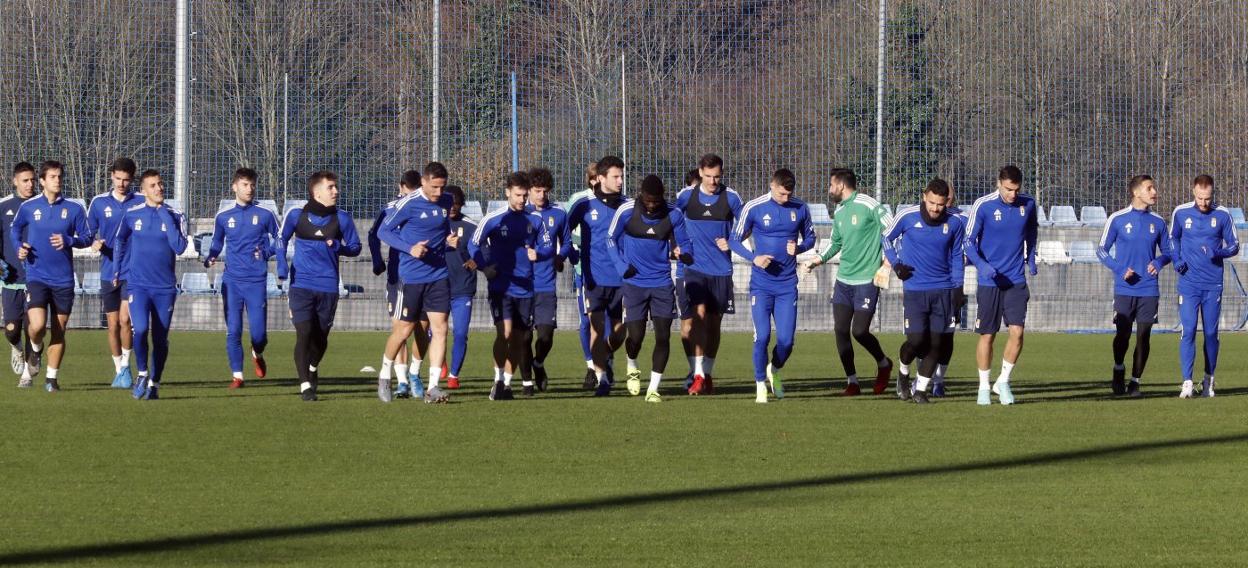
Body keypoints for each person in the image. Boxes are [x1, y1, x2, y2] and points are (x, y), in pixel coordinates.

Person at [802, 168, 894, 396]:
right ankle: (852, 382)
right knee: (841, 330)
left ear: (841, 185)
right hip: (843, 281)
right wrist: (818, 259)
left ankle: (884, 364)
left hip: (867, 280)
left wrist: (887, 261)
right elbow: (836, 243)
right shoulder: (840, 210)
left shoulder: (868, 204)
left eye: (831, 185)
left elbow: (892, 228)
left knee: (860, 331)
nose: (829, 189)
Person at [729, 168, 816, 403]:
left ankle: (774, 370)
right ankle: (760, 384)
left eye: (788, 194)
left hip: (787, 284)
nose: (785, 199)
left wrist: (799, 248)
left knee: (787, 341)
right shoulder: (754, 208)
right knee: (763, 336)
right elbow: (733, 240)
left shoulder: (800, 208)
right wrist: (753, 257)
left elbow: (811, 238)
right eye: (781, 194)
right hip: (761, 285)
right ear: (772, 185)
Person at [276, 171, 363, 401]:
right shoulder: (296, 216)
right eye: (331, 187)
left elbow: (355, 247)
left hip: (328, 287)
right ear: (316, 192)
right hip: (301, 285)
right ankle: (305, 385)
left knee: (321, 337)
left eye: (336, 187)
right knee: (304, 333)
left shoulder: (342, 218)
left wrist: (339, 247)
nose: (336, 191)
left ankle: (313, 366)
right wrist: (282, 265)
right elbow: (280, 239)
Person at [608, 174, 693, 401]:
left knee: (663, 336)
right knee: (636, 335)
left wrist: (683, 253)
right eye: (648, 200)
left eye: (656, 201)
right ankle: (632, 363)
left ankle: (653, 388)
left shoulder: (673, 214)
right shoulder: (626, 211)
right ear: (641, 196)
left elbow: (685, 244)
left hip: (662, 283)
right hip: (634, 283)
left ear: (662, 198)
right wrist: (621, 266)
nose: (652, 205)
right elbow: (609, 240)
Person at [881, 178, 965, 404]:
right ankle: (903, 372)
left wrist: (958, 288)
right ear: (924, 196)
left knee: (937, 343)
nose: (936, 208)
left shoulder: (955, 223)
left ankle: (920, 390)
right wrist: (896, 264)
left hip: (944, 289)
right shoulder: (907, 216)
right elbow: (886, 238)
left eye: (940, 204)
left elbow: (957, 256)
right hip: (915, 289)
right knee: (917, 341)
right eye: (932, 203)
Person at [10, 160, 92, 392]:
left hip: (64, 280)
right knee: (36, 326)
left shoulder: (74, 209)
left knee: (59, 329)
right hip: (36, 276)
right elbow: (15, 230)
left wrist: (70, 240)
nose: (57, 180)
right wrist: (19, 247)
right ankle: (35, 349)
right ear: (43, 181)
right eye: (52, 177)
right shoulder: (29, 207)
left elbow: (86, 237)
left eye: (59, 176)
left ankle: (51, 379)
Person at [377, 162, 455, 404]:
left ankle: (433, 387)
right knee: (403, 330)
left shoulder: (446, 200)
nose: (438, 193)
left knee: (440, 328)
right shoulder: (408, 203)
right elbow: (383, 232)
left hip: (439, 276)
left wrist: (449, 241)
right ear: (423, 182)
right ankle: (384, 375)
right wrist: (409, 248)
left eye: (442, 187)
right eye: (434, 187)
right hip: (411, 278)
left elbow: (441, 230)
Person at [470, 172, 551, 399]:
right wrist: (485, 267)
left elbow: (547, 246)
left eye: (525, 195)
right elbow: (473, 243)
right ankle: (497, 379)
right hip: (501, 287)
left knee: (519, 339)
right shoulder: (493, 219)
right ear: (507, 192)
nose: (521, 200)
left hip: (525, 289)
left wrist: (540, 254)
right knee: (504, 333)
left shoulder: (535, 219)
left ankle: (506, 384)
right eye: (518, 195)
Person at [109, 170, 187, 400]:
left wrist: (164, 215)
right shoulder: (132, 214)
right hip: (138, 285)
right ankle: (142, 373)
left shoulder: (176, 215)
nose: (159, 189)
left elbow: (179, 247)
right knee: (140, 329)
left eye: (160, 184)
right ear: (143, 191)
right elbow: (120, 239)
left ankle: (155, 382)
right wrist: (117, 268)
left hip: (164, 289)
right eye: (153, 186)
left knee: (160, 338)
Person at [964, 165, 1038, 405]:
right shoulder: (983, 205)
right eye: (1008, 189)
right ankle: (984, 387)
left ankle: (1003, 382)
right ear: (999, 183)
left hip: (1016, 280)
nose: (1012, 195)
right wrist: (981, 265)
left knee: (1017, 333)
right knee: (988, 335)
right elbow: (967, 242)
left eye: (1016, 190)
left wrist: (1032, 257)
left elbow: (1032, 233)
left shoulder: (1028, 204)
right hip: (989, 281)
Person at [674, 155, 743, 396]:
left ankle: (707, 374)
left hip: (721, 271)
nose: (713, 181)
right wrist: (675, 246)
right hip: (694, 269)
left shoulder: (731, 198)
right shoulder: (686, 196)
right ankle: (698, 375)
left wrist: (733, 241)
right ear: (700, 173)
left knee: (714, 324)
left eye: (717, 177)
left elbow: (745, 224)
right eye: (708, 176)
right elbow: (670, 220)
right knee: (698, 317)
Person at [205, 168, 279, 389]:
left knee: (259, 334)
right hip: (232, 282)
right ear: (235, 186)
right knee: (233, 330)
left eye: (252, 184)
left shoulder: (265, 214)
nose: (250, 189)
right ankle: (238, 376)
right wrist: (211, 256)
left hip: (256, 281)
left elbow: (281, 238)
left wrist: (266, 253)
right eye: (245, 184)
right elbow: (217, 242)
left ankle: (257, 351)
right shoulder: (223, 216)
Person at [1098, 175, 1171, 398]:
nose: (1154, 191)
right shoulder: (1117, 219)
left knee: (1144, 336)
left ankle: (1135, 382)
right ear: (1136, 192)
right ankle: (1118, 369)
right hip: (1124, 288)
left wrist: (1158, 262)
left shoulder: (1158, 222)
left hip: (1149, 289)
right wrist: (1120, 269)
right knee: (1123, 335)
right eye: (1150, 188)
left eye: (1154, 187)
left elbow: (1169, 252)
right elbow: (1102, 250)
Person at [568, 156, 630, 396]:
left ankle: (604, 355)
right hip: (593, 278)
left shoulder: (627, 205)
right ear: (601, 178)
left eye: (622, 176)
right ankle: (603, 379)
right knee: (596, 327)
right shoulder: (584, 204)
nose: (620, 181)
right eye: (615, 176)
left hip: (622, 279)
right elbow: (564, 231)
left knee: (620, 330)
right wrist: (570, 255)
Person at [1169, 175, 1236, 398]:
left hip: (1213, 284)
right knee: (1187, 331)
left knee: (1210, 333)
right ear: (1193, 191)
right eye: (1199, 198)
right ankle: (1187, 382)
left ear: (1213, 194)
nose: (1203, 203)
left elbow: (1234, 245)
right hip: (1188, 283)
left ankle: (1208, 380)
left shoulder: (1223, 214)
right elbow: (1173, 239)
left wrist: (1220, 252)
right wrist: (1177, 260)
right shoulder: (1181, 212)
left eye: (1207, 199)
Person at [367, 170, 426, 397]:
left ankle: (415, 373)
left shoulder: (425, 205)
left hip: (422, 275)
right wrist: (376, 261)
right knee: (400, 328)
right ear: (401, 187)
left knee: (422, 328)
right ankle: (401, 380)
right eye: (409, 191)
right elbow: (374, 235)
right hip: (397, 275)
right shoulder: (390, 209)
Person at [87, 157, 141, 388]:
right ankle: (119, 370)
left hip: (132, 271)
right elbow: (87, 232)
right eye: (118, 178)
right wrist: (93, 242)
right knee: (112, 325)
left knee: (125, 320)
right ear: (111, 176)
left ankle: (127, 366)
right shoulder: (99, 203)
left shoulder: (140, 202)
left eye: (126, 179)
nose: (121, 183)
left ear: (132, 179)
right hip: (108, 271)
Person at [524, 167, 573, 391]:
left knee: (545, 336)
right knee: (523, 337)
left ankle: (538, 363)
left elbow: (567, 242)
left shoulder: (559, 214)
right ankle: (525, 381)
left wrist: (560, 257)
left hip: (545, 284)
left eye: (545, 191)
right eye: (537, 190)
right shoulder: (519, 213)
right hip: (521, 286)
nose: (542, 195)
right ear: (529, 191)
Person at [0, 162, 36, 386]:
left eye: (33, 180)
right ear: (15, 181)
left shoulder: (43, 207)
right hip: (11, 280)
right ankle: (17, 348)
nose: (30, 184)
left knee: (33, 326)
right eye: (25, 180)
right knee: (12, 330)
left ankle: (30, 367)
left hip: (36, 279)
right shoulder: (4, 207)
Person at [442, 185, 478, 390]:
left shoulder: (471, 226)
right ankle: (441, 362)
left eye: (456, 204)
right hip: (437, 286)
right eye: (449, 203)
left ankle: (454, 376)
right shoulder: (435, 223)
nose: (453, 208)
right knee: (435, 331)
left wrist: (477, 261)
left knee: (461, 333)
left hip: (462, 288)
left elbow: (483, 250)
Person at [569, 163, 598, 389]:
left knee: (608, 322)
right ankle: (591, 366)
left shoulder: (618, 201)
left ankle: (603, 365)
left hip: (608, 273)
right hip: (582, 270)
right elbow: (566, 232)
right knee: (585, 321)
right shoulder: (579, 200)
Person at [675, 168, 701, 387]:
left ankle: (703, 371)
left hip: (711, 272)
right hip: (684, 272)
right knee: (688, 325)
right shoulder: (681, 204)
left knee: (707, 323)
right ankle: (694, 369)